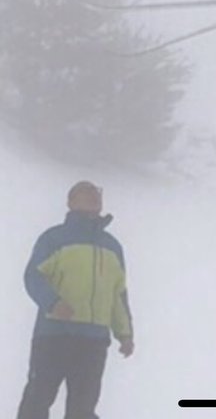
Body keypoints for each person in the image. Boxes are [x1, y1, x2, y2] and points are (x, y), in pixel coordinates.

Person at [17, 180, 134, 419]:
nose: (94, 198)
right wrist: (53, 302)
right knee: (37, 399)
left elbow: (118, 294)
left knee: (83, 408)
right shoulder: (54, 239)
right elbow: (33, 277)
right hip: (54, 336)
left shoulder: (112, 247)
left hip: (93, 342)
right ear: (70, 202)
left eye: (96, 194)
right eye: (86, 193)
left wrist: (125, 333)